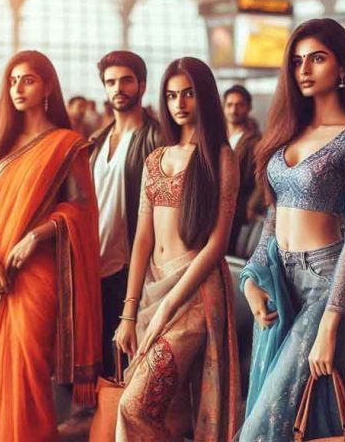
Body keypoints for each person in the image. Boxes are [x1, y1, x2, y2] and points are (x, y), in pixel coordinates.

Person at [238, 18, 345, 440]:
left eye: (317, 58)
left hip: (325, 284)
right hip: (279, 280)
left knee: (263, 427)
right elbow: (272, 218)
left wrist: (330, 324)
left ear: (342, 70)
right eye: (298, 61)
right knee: (279, 418)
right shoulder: (286, 138)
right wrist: (250, 279)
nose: (304, 69)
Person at [0, 50, 102, 441]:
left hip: (37, 271)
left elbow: (81, 210)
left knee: (28, 366)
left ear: (48, 87)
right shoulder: (2, 143)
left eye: (27, 80)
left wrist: (34, 236)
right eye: (12, 81)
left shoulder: (67, 145)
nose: (17, 88)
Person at [113, 57, 240, 441]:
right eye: (171, 96)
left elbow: (218, 244)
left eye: (188, 94)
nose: (179, 103)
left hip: (195, 295)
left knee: (133, 406)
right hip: (153, 289)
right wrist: (130, 313)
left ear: (204, 97)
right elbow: (142, 240)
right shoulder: (156, 159)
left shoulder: (219, 157)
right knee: (166, 411)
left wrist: (169, 306)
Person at [89, 50, 163, 377]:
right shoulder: (98, 141)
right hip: (96, 259)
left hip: (133, 260)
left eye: (126, 80)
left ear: (142, 85)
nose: (118, 88)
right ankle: (103, 419)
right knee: (102, 351)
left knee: (133, 355)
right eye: (111, 82)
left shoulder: (156, 138)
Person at [223, 84, 261, 253]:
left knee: (229, 253)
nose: (234, 110)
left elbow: (262, 177)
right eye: (229, 105)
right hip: (212, 207)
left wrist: (251, 205)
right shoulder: (218, 137)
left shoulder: (255, 141)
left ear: (248, 107)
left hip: (238, 208)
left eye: (239, 105)